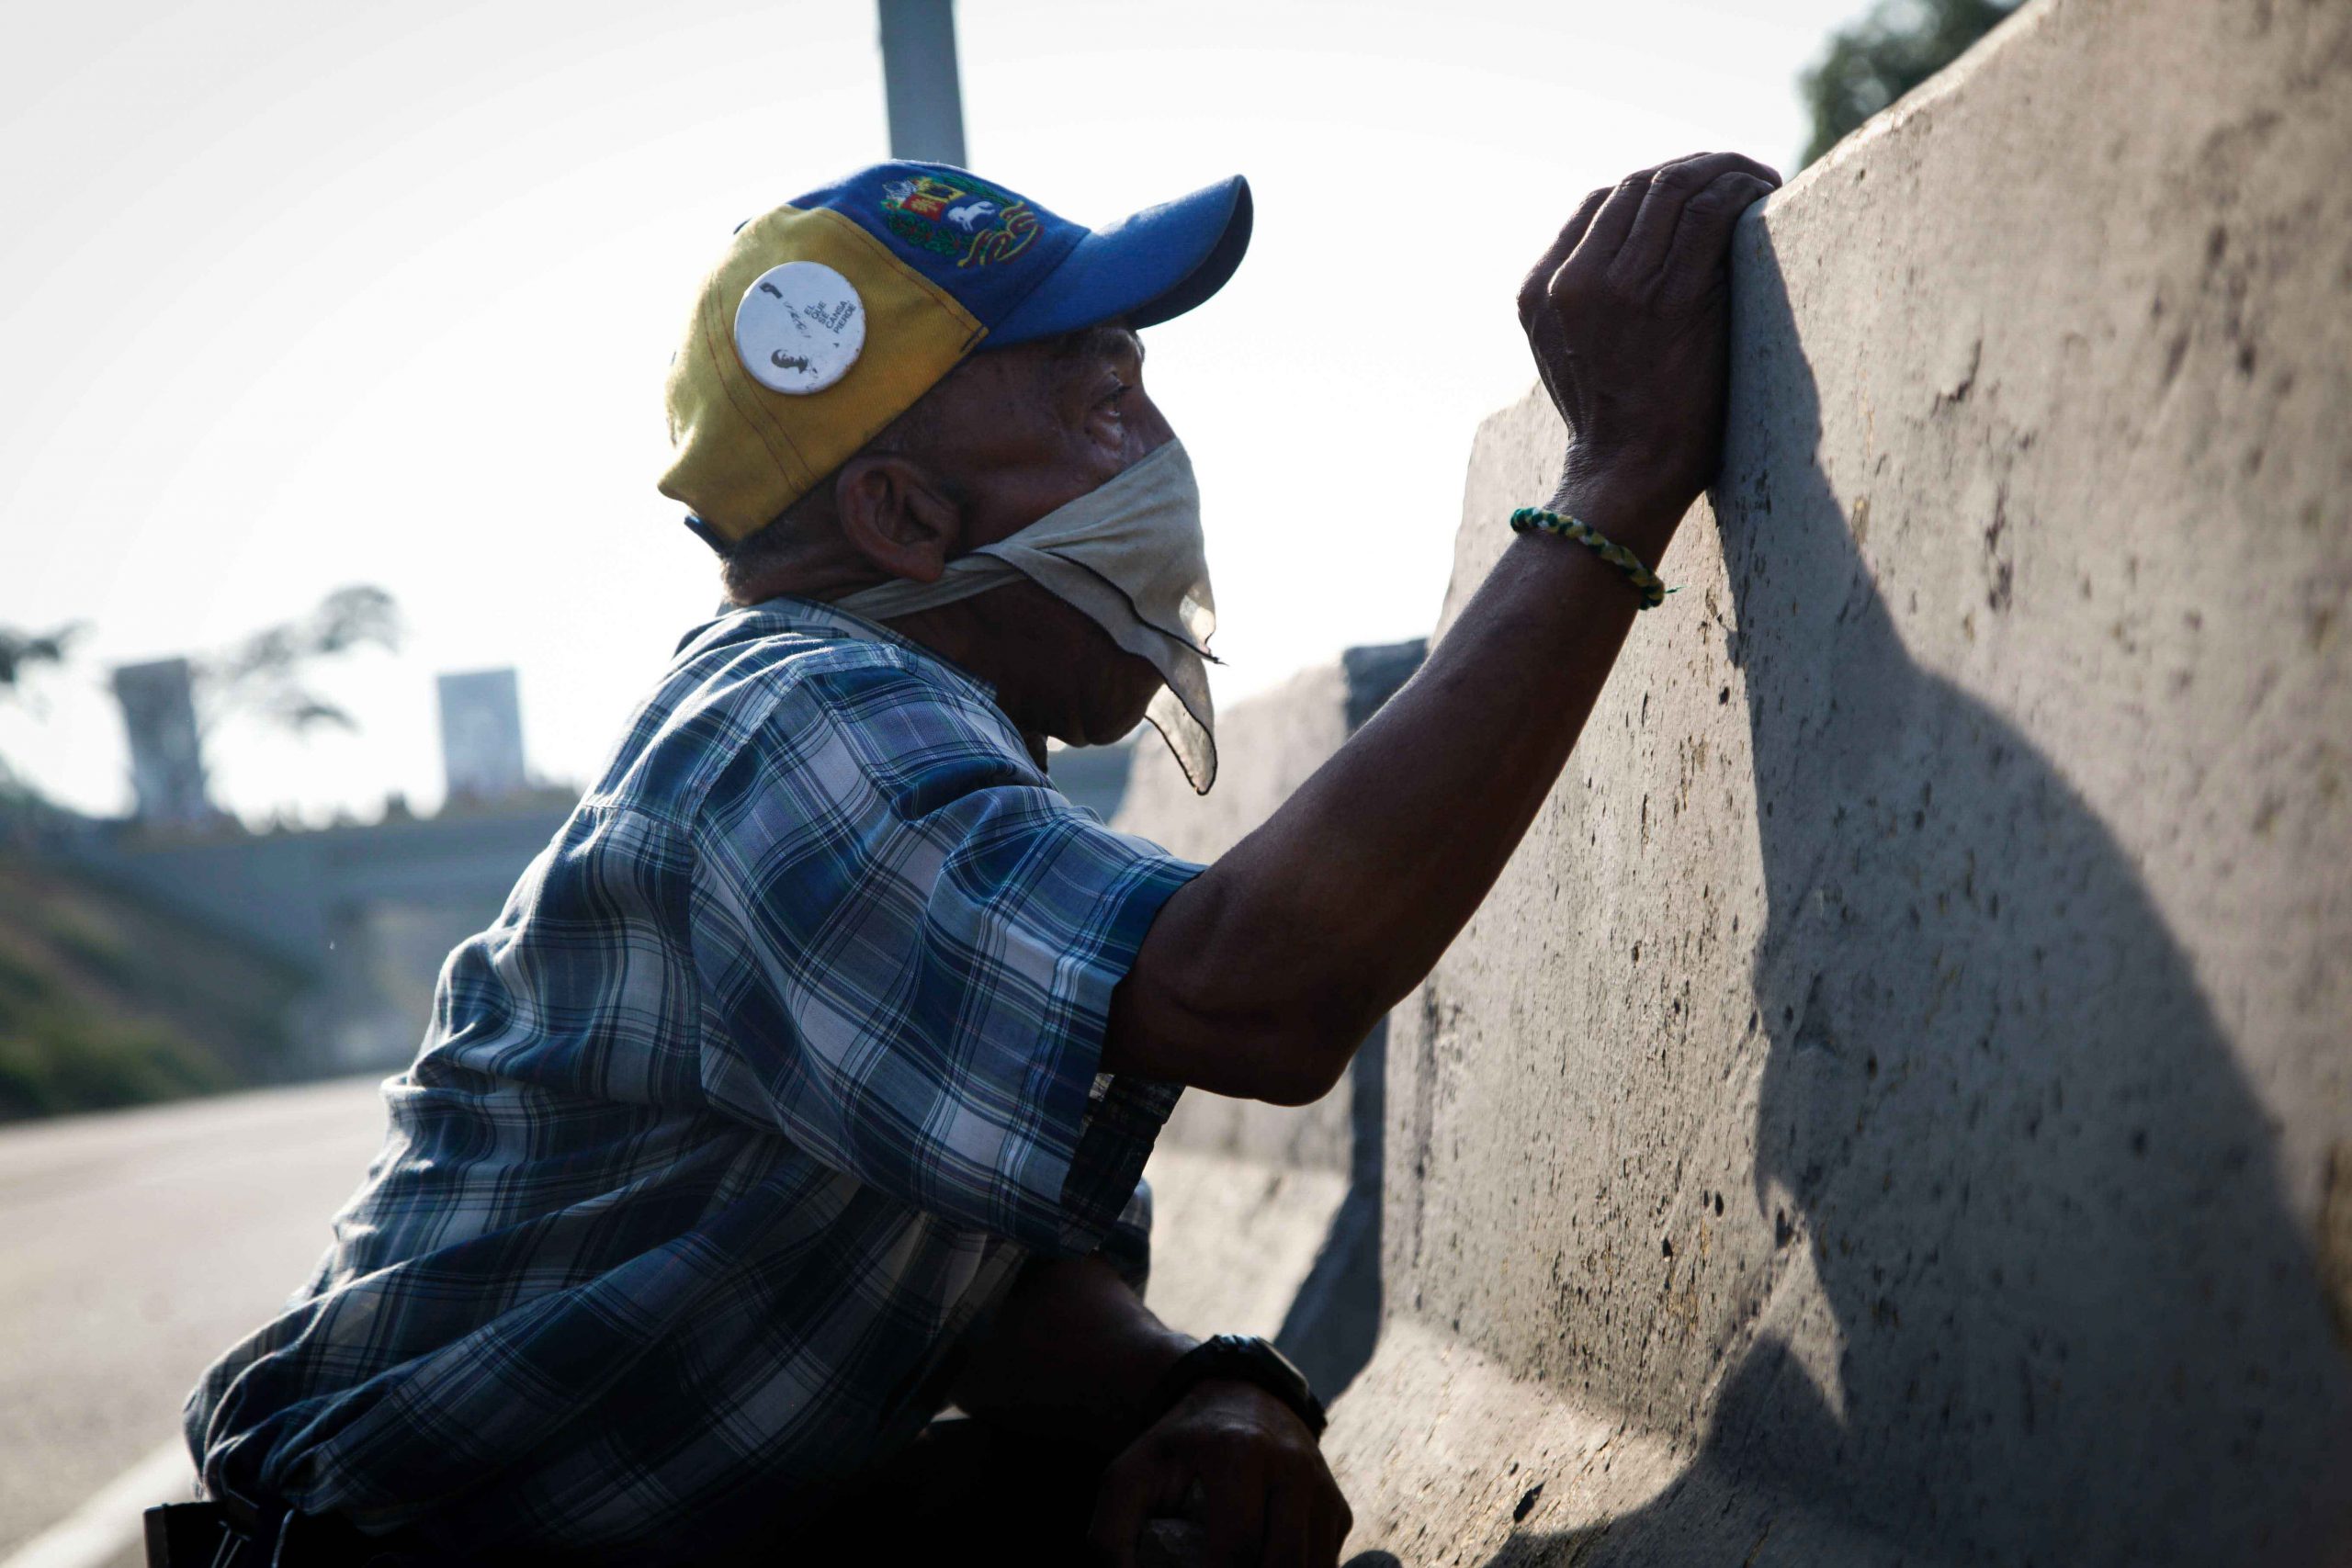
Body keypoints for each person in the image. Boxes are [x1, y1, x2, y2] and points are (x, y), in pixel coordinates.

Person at [170, 149, 1779, 1568]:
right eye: (1100, 408)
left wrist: (1195, 1386)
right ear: (900, 519)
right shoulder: (796, 720)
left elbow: (962, 1284)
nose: (1161, 457)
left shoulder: (916, 751)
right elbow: (1254, 999)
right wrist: (1615, 477)